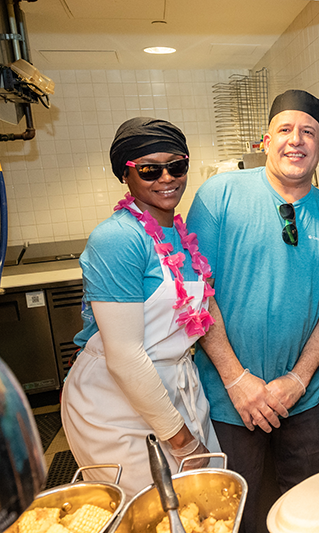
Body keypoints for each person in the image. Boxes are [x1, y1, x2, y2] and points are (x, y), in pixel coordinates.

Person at [186, 90, 319, 533]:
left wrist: (298, 380)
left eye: (309, 132)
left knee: (307, 509)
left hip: (303, 398)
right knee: (236, 514)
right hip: (229, 399)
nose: (296, 141)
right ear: (265, 139)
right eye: (285, 130)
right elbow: (199, 293)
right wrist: (237, 380)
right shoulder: (220, 194)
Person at [61, 117, 221, 496]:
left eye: (176, 166)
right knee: (150, 512)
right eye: (149, 170)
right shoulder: (117, 239)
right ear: (126, 176)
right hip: (116, 404)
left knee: (205, 502)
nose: (166, 178)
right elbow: (125, 357)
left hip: (176, 388)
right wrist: (181, 440)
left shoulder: (181, 235)